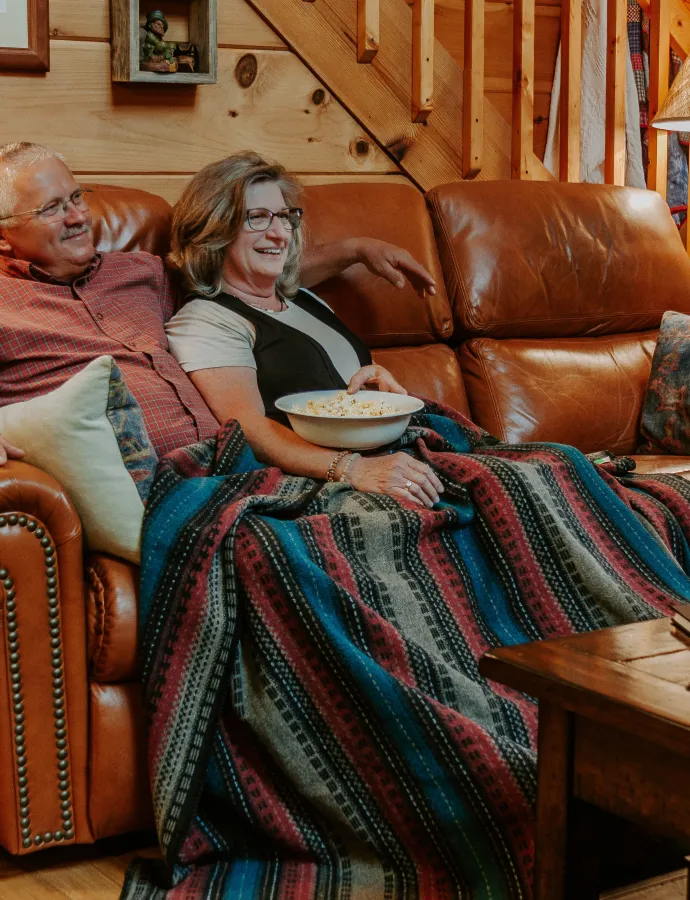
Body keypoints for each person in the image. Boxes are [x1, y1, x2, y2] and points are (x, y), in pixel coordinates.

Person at [0, 141, 436, 463]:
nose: (77, 217)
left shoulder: (141, 272)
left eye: (77, 198)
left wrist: (356, 250)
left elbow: (234, 276)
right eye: (52, 208)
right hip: (140, 470)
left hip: (227, 462)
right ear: (5, 229)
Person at [165, 152, 445, 508]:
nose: (279, 233)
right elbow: (249, 428)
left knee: (532, 468)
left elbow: (335, 393)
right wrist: (353, 469)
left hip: (391, 452)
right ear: (215, 230)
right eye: (257, 218)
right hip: (328, 480)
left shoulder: (305, 300)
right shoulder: (206, 320)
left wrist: (377, 388)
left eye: (284, 217)